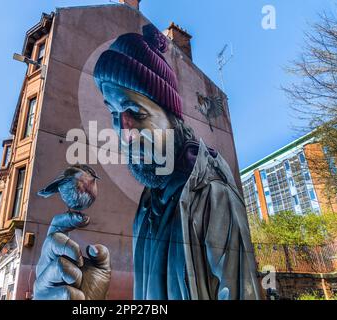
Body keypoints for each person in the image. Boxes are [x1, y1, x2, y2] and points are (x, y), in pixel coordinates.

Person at [34, 24, 261, 300]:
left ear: (172, 118)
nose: (124, 132)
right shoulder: (149, 203)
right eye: (114, 113)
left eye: (135, 112)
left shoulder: (211, 195)